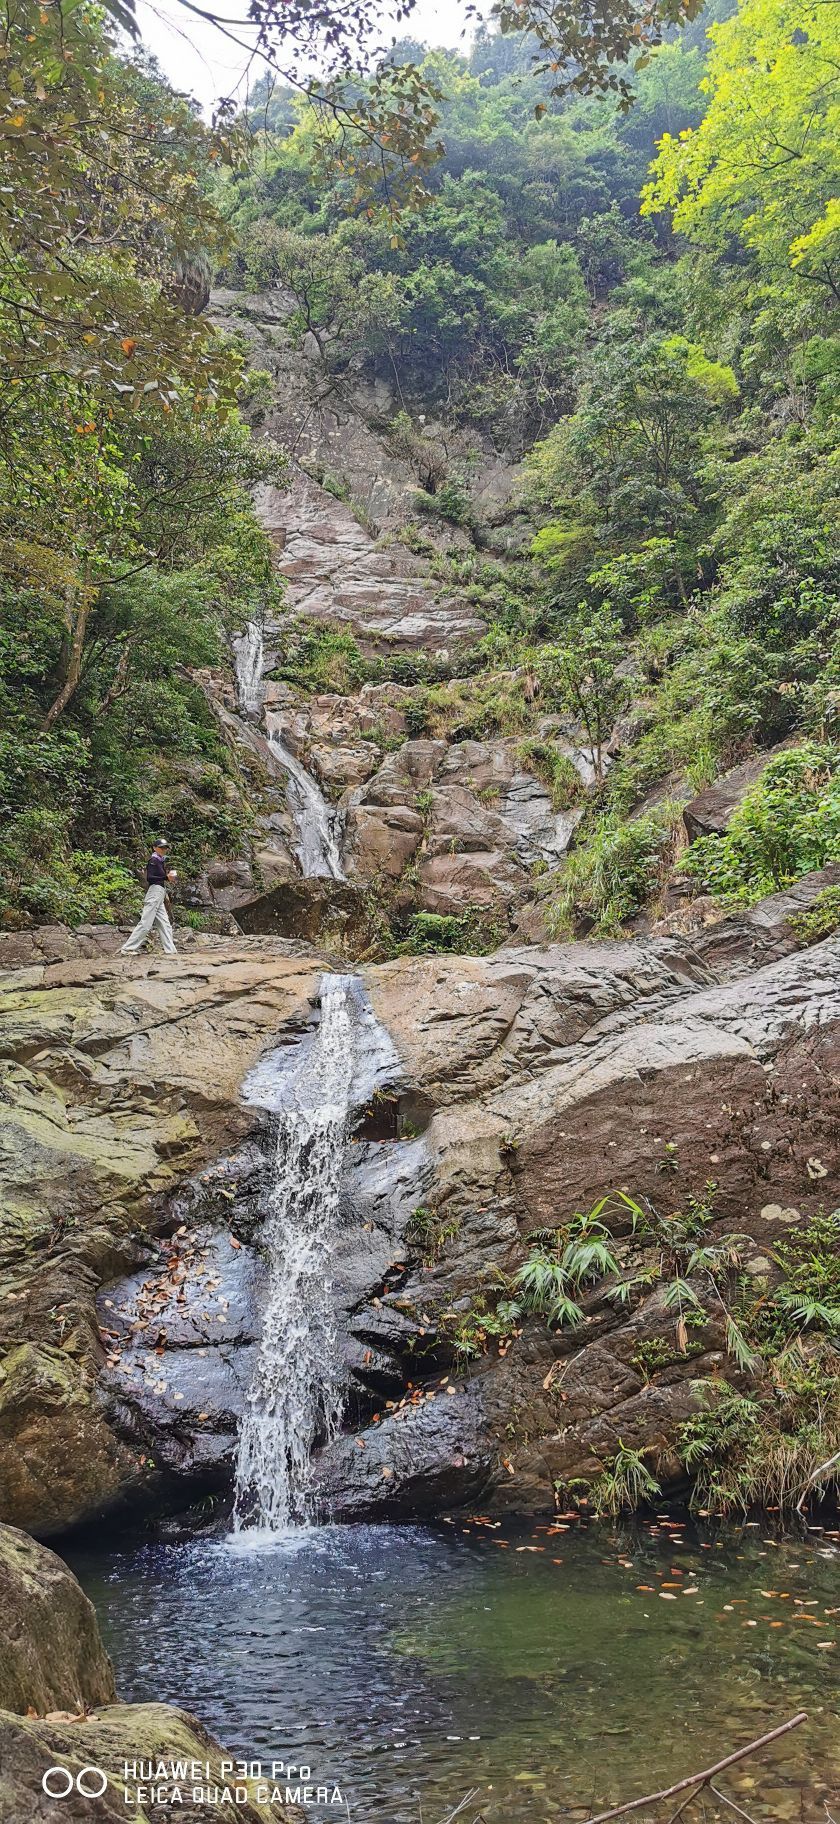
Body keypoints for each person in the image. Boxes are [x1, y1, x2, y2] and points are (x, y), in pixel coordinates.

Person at [120, 839, 179, 957]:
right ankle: (127, 948)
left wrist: (168, 878)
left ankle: (170, 950)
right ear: (154, 848)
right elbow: (150, 878)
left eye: (165, 847)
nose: (164, 850)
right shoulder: (154, 860)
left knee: (165, 923)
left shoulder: (160, 861)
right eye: (161, 847)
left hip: (159, 893)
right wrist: (167, 877)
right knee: (146, 923)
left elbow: (158, 877)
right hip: (154, 892)